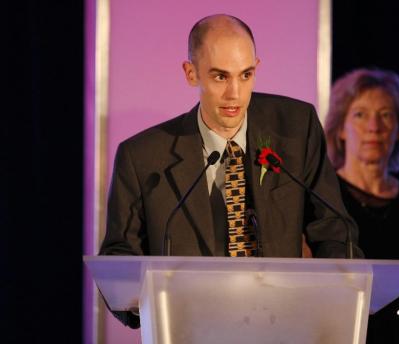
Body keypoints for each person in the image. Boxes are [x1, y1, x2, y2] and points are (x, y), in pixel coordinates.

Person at [100, 14, 363, 328]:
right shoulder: (142, 157)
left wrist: (339, 293)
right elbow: (120, 255)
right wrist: (151, 302)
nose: (235, 94)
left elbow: (334, 230)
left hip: (284, 324)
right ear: (191, 73)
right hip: (191, 327)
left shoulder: (296, 127)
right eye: (220, 77)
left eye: (246, 74)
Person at [324, 68, 399, 343]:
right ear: (340, 129)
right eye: (360, 115)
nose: (374, 127)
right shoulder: (322, 196)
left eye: (386, 115)